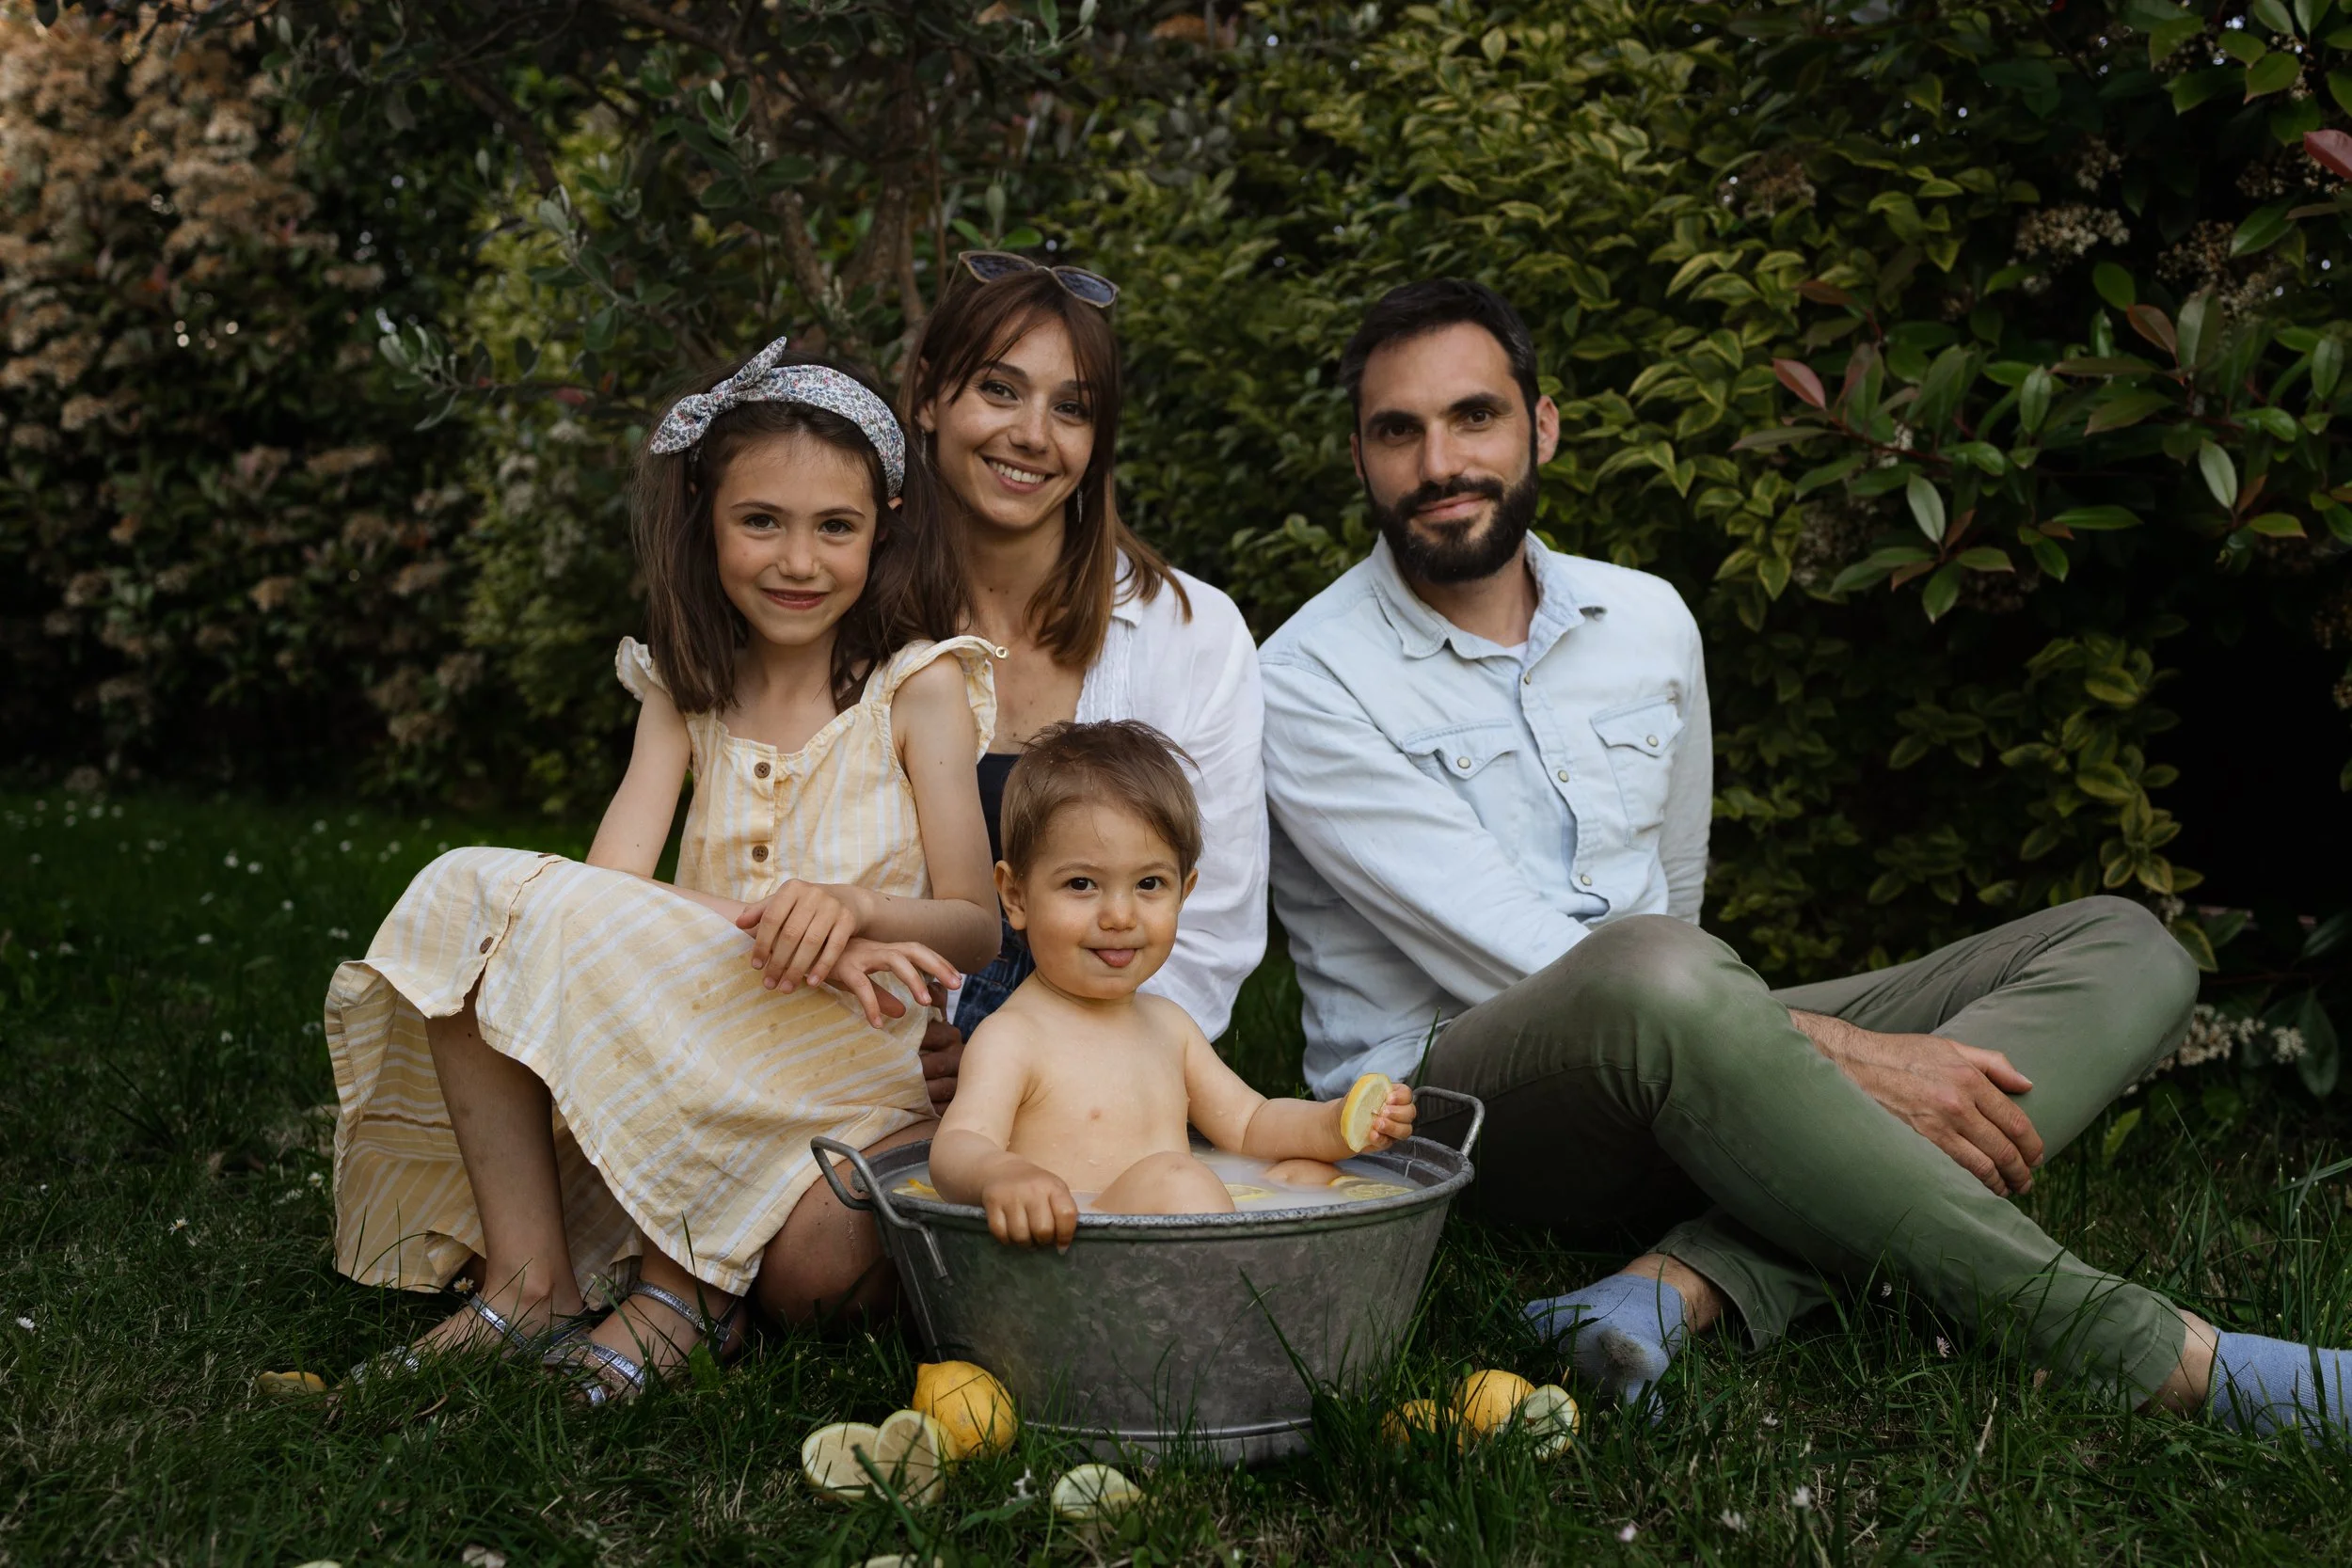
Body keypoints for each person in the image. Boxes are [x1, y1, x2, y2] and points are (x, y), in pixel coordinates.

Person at [1258, 277, 2352, 1441]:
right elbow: (1542, 956)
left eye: (1473, 415)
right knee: (1655, 970)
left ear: (1543, 425)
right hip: (1451, 1115)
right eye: (1398, 430)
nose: (1439, 462)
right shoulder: (1307, 678)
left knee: (2126, 947)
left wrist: (1756, 1052)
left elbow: (1680, 889)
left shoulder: (1645, 619)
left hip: (1675, 1030)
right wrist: (1842, 1056)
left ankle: (1670, 1284)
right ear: (1360, 457)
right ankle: (2165, 1357)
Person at [326, 339, 1000, 1402]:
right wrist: (772, 928)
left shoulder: (918, 688)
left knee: (821, 1268)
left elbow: (975, 920)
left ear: (887, 526)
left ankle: (685, 1292)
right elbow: (602, 897)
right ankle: (527, 1284)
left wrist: (853, 910)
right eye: (760, 520)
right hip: (695, 1031)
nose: (798, 560)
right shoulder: (684, 688)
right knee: (477, 903)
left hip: (846, 1063)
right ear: (703, 515)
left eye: (835, 526)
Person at [899, 253, 1267, 1110]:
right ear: (927, 396)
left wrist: (1043, 1069)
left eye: (1072, 408)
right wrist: (888, 1047)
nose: (1034, 434)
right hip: (874, 1070)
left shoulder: (1192, 632)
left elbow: (1212, 930)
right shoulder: (849, 620)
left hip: (1111, 1093)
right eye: (999, 389)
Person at [929, 721, 1415, 1247]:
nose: (1120, 916)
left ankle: (1277, 1279)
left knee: (1308, 1173)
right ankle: (1246, 1291)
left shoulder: (1168, 1027)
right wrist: (1001, 1175)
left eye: (1149, 884)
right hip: (1074, 1247)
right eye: (1081, 884)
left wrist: (1337, 1122)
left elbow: (1250, 1123)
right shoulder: (1013, 1038)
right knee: (1178, 1178)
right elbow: (956, 1146)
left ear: (1184, 892)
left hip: (1171, 1226)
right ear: (1016, 896)